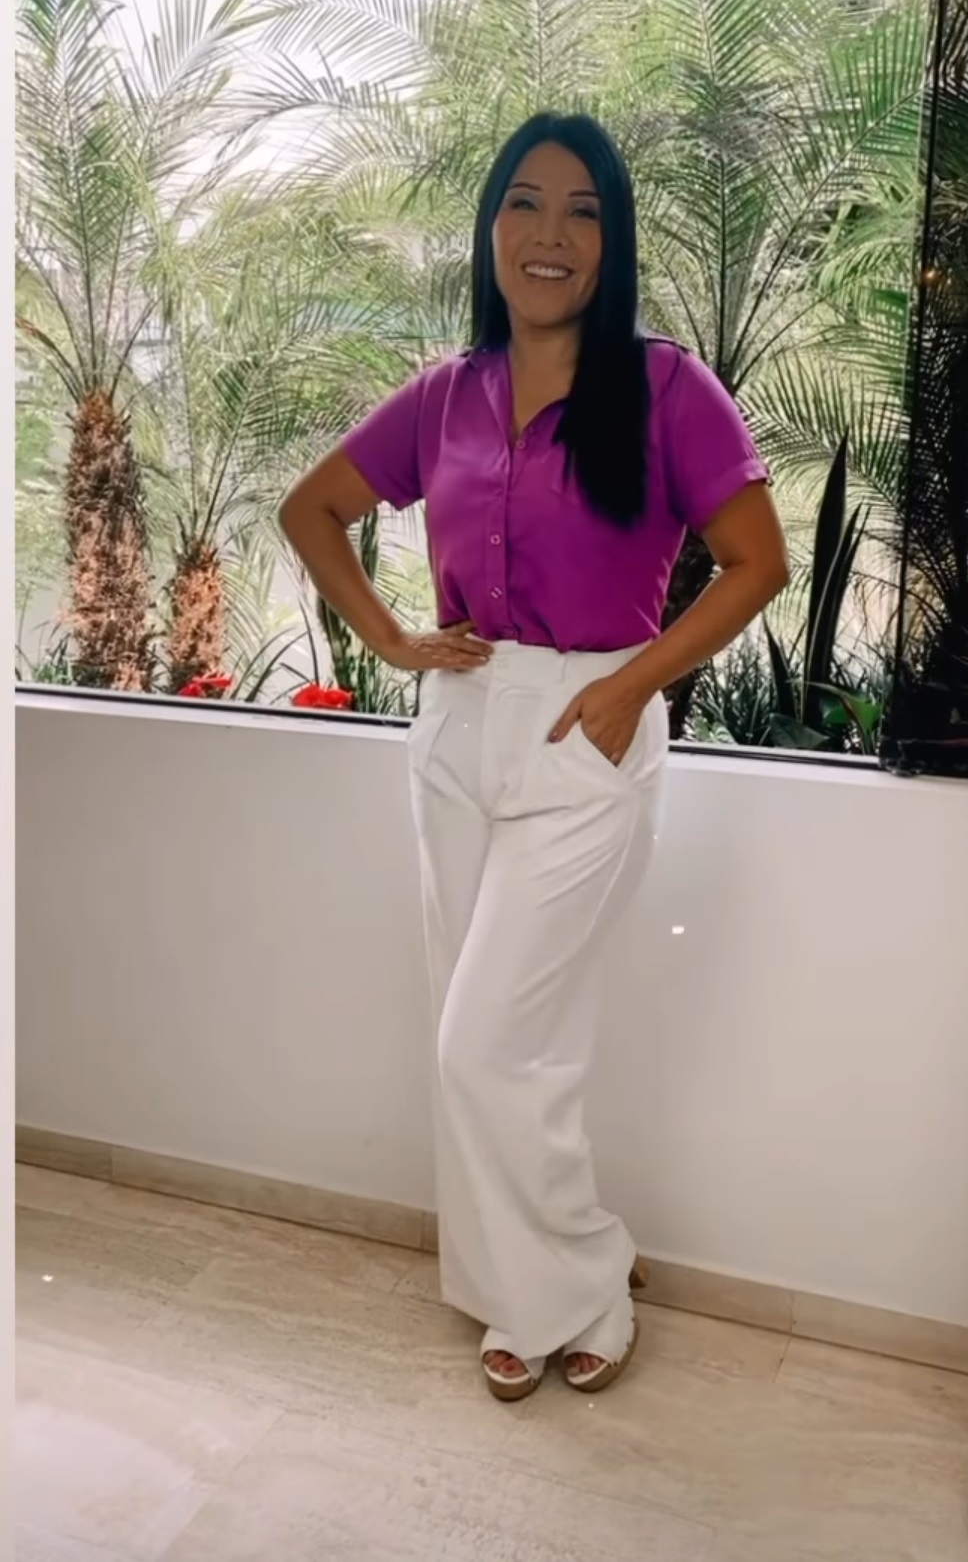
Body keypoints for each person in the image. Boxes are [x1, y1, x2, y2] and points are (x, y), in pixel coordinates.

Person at [279, 111, 789, 1402]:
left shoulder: (667, 389)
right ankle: (515, 1282)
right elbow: (313, 508)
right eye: (525, 202)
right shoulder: (446, 394)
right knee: (492, 1032)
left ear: (612, 244)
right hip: (459, 723)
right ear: (490, 227)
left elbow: (758, 562)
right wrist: (393, 637)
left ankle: (584, 1281)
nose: (550, 233)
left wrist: (632, 685)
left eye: (583, 211)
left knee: (493, 1045)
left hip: (588, 726)